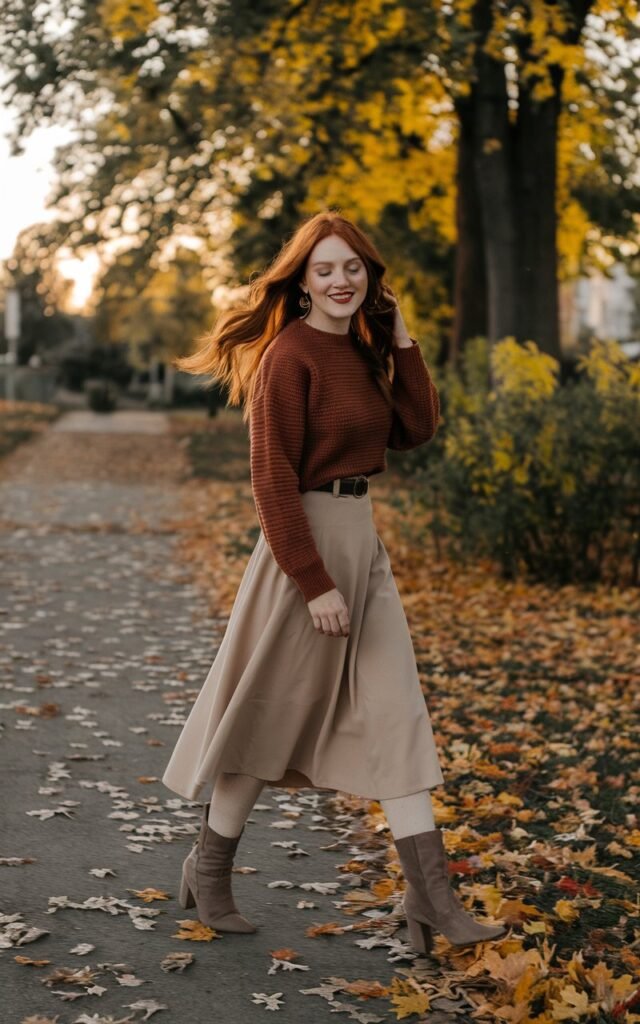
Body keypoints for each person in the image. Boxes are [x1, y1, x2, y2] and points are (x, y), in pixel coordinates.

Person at [161, 210, 506, 954]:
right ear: (305, 280)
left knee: (399, 713)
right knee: (266, 716)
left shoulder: (362, 348)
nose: (340, 280)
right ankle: (209, 867)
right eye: (325, 269)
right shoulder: (290, 355)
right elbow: (271, 477)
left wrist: (404, 338)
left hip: (363, 547)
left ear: (370, 277)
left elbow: (416, 428)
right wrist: (313, 580)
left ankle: (429, 899)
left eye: (353, 267)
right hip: (305, 555)